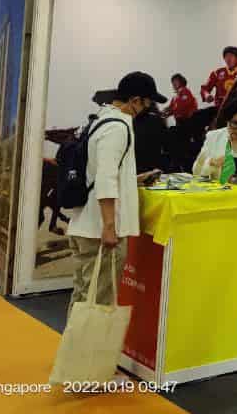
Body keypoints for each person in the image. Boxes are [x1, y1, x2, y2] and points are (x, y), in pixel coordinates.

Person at [63, 73, 165, 317]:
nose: (147, 110)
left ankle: (74, 342)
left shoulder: (101, 120)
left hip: (86, 225)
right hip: (100, 230)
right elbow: (106, 179)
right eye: (147, 104)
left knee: (83, 299)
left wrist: (134, 179)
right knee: (98, 303)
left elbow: (101, 171)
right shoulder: (118, 128)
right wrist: (109, 227)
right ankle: (88, 344)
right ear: (135, 100)